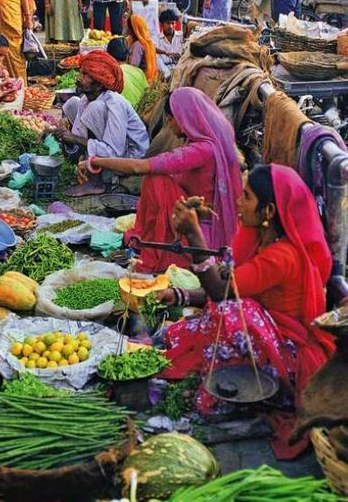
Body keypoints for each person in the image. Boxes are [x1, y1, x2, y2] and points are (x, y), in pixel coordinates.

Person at [158, 164, 335, 459]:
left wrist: (194, 235)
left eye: (247, 197)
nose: (239, 202)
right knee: (226, 311)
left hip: (288, 357)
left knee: (236, 311)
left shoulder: (283, 256)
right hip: (268, 338)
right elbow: (226, 286)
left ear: (268, 212)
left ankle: (248, 391)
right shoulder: (259, 243)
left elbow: (222, 292)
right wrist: (179, 295)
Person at [79, 87, 242, 271]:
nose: (170, 125)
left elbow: (138, 167)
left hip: (198, 233)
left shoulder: (202, 150)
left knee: (156, 181)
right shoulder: (206, 145)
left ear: (185, 118)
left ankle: (152, 242)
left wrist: (95, 160)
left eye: (171, 119)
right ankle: (150, 236)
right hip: (194, 220)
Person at [57, 50, 149, 196]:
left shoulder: (115, 102)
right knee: (72, 103)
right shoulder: (86, 99)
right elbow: (78, 138)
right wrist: (63, 135)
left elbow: (113, 151)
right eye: (80, 73)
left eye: (85, 75)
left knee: (94, 109)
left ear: (99, 85)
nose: (79, 79)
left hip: (130, 157)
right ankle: (91, 170)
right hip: (109, 148)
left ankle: (96, 182)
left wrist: (74, 139)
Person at [106, 36, 148, 108]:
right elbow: (147, 93)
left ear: (109, 57)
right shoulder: (138, 71)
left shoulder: (110, 76)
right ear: (127, 56)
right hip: (141, 113)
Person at [127, 13, 158, 81]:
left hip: (140, 80)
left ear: (135, 30)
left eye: (129, 28)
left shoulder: (138, 45)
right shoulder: (148, 42)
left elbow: (133, 67)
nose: (127, 30)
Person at [156, 8, 184, 76]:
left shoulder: (181, 36)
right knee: (154, 56)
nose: (171, 26)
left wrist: (180, 56)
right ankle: (168, 76)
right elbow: (153, 49)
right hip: (164, 70)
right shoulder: (157, 38)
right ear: (162, 24)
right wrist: (166, 53)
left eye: (172, 23)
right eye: (168, 23)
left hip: (179, 69)